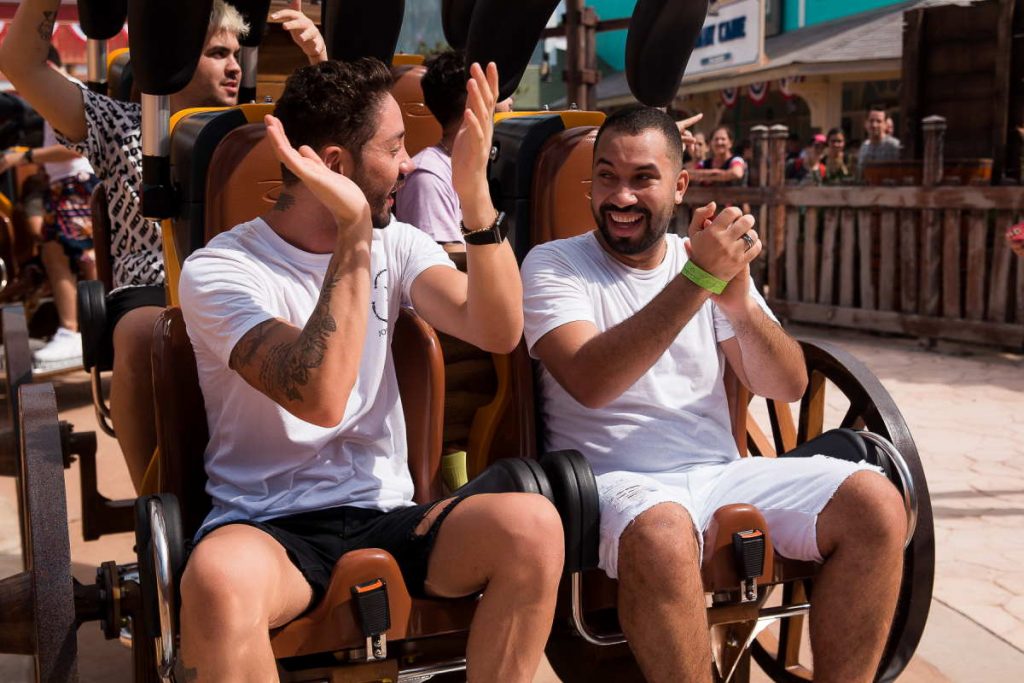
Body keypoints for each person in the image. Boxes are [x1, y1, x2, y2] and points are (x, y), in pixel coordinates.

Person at [176, 59, 563, 682]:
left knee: (533, 524)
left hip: (387, 513)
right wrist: (354, 230)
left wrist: (474, 195)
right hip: (268, 526)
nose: (409, 164)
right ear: (334, 166)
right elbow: (320, 398)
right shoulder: (220, 272)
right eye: (394, 148)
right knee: (218, 581)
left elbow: (497, 328)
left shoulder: (399, 241)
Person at [522, 104, 907, 683]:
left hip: (719, 471)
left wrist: (739, 303)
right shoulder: (554, 263)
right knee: (663, 529)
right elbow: (590, 380)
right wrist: (698, 281)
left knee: (875, 503)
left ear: (679, 185)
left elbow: (789, 384)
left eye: (641, 178)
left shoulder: (699, 263)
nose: (620, 196)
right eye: (606, 176)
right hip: (609, 482)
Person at [0, 0, 326, 491]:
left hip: (250, 286)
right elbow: (21, 66)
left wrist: (322, 64)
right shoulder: (122, 126)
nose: (235, 65)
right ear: (173, 53)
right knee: (139, 334)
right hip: (155, 286)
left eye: (237, 53)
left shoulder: (264, 129)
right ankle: (154, 507)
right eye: (218, 52)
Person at [0, 46, 100, 370]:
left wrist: (25, 158)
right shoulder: (58, 95)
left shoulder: (66, 92)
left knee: (76, 255)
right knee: (64, 253)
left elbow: (75, 147)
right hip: (69, 185)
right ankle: (81, 328)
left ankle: (76, 330)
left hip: (77, 184)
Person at [395, 49, 512, 254]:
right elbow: (443, 256)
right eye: (496, 90)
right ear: (474, 101)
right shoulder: (428, 176)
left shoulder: (474, 166)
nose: (510, 101)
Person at [857, 107, 900, 180]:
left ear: (885, 125)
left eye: (878, 121)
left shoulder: (894, 146)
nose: (874, 125)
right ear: (866, 124)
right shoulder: (864, 146)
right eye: (871, 121)